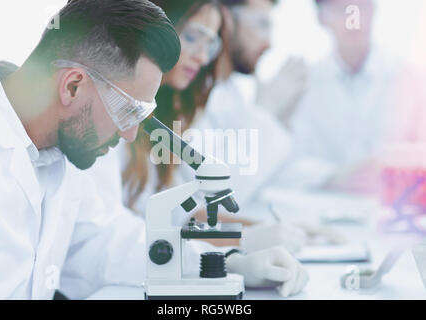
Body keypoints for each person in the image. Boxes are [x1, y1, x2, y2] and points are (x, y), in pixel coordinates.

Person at [108, 0, 309, 297]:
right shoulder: (111, 116)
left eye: (210, 44)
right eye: (191, 37)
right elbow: (110, 240)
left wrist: (248, 237)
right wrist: (236, 250)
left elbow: (183, 214)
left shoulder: (168, 112)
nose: (202, 57)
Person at [0, 0, 181, 299]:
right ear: (73, 86)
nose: (129, 134)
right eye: (127, 112)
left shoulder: (57, 152)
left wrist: (221, 260)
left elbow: (101, 241)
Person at [277, 0, 398, 193]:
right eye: (343, 9)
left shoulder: (408, 79)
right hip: (318, 212)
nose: (354, 19)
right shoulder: (302, 84)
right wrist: (334, 177)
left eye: (362, 6)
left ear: (374, 10)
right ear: (321, 17)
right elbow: (284, 164)